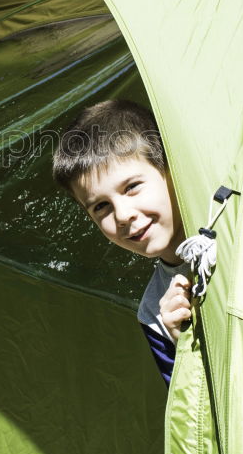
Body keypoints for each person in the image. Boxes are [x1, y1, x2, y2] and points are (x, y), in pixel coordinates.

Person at [52, 99, 191, 384]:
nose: (123, 215)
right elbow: (190, 412)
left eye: (132, 187)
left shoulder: (242, 236)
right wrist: (185, 344)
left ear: (169, 170)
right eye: (101, 207)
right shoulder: (154, 314)